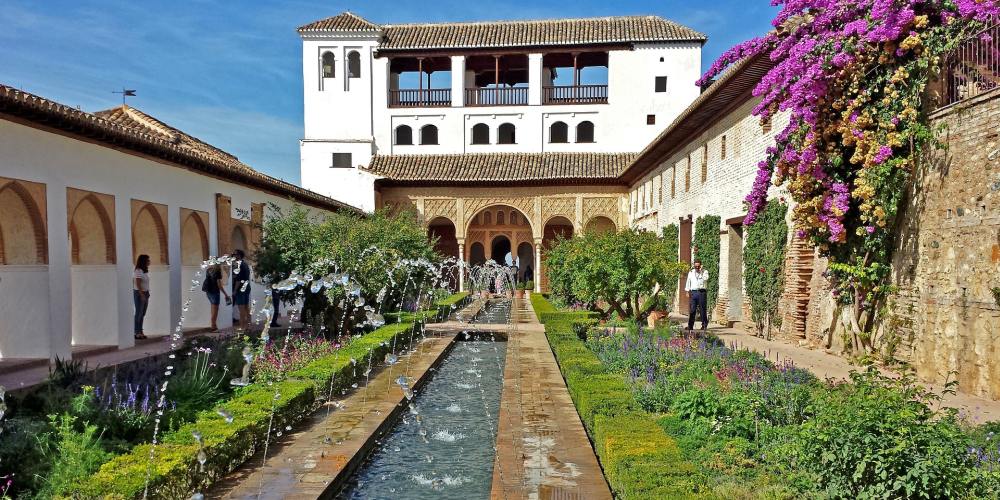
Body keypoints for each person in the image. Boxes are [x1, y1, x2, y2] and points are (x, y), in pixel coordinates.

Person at [202, 264, 230, 332]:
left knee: (213, 309)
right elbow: (219, 285)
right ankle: (213, 327)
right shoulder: (217, 271)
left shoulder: (208, 270)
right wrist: (225, 294)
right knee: (215, 311)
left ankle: (214, 325)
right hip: (215, 292)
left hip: (208, 292)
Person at [685, 259, 710, 331]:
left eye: (698, 266)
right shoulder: (691, 272)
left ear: (701, 266)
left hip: (702, 292)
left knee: (702, 309)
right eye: (695, 266)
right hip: (693, 292)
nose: (697, 268)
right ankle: (690, 326)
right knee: (692, 310)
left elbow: (706, 279)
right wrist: (687, 291)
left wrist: (701, 272)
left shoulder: (705, 272)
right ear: (694, 266)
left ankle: (704, 325)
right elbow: (688, 281)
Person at [231, 249, 252, 331]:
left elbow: (238, 280)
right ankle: (248, 326)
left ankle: (242, 326)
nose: (233, 256)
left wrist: (235, 290)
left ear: (239, 255)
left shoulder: (239, 265)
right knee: (247, 307)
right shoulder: (245, 264)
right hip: (247, 287)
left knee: (241, 308)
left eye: (235, 254)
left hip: (241, 289)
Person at [133, 254, 151, 339]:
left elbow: (145, 283)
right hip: (140, 294)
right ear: (144, 261)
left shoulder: (144, 271)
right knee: (139, 313)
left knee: (142, 313)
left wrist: (147, 293)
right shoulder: (138, 271)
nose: (149, 262)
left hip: (145, 293)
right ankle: (136, 332)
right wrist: (142, 294)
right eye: (148, 260)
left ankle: (140, 331)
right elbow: (138, 283)